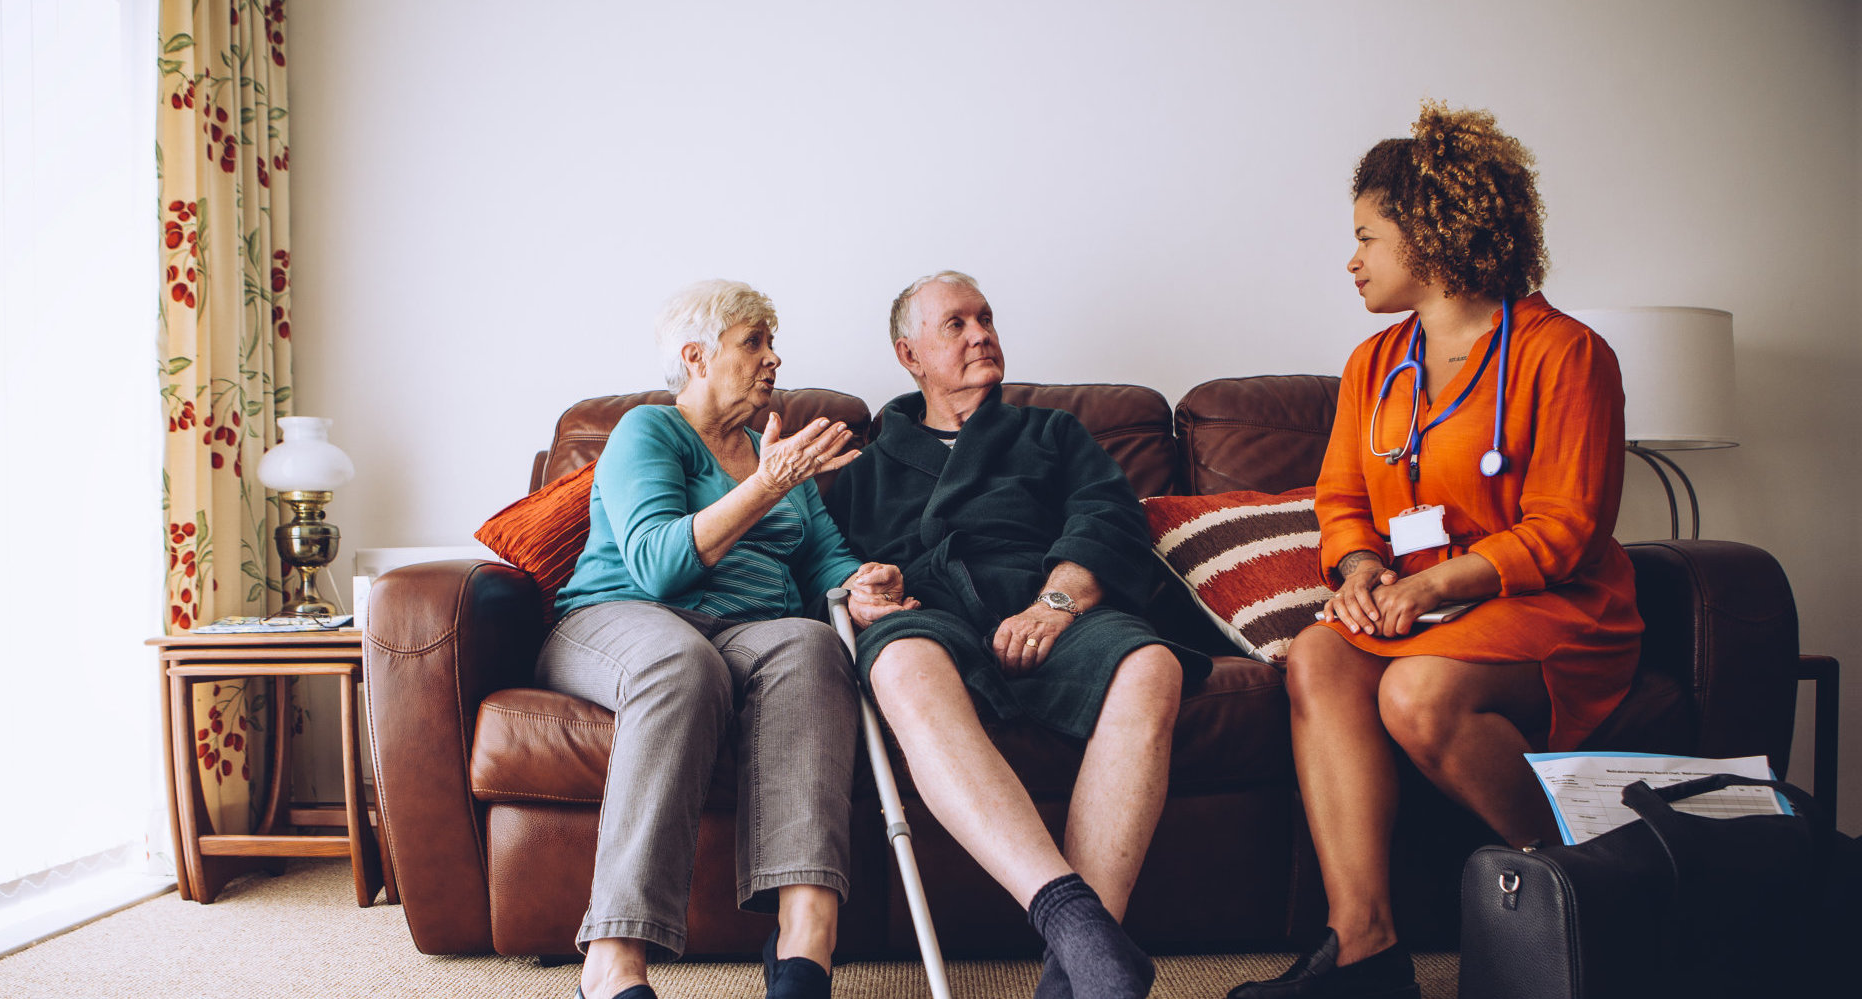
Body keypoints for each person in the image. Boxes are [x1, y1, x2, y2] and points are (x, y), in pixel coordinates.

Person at [1228, 104, 1643, 999]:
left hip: (1554, 607)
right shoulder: (1375, 364)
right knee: (1321, 654)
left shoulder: (1567, 355)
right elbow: (1342, 501)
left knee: (1416, 692)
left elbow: (1568, 527)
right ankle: (1364, 948)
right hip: (1427, 602)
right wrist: (1365, 572)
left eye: (1366, 238)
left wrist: (1430, 587)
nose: (1352, 260)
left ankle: (1588, 891)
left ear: (1431, 232)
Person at [825, 271, 1212, 999]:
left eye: (987, 317)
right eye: (957, 324)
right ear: (910, 355)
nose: (982, 334)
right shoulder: (863, 466)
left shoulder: (1050, 430)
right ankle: (1081, 928)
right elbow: (829, 561)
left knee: (1152, 664)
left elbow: (1108, 516)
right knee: (900, 662)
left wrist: (1056, 603)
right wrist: (864, 591)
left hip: (1050, 602)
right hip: (932, 614)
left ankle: (1077, 977)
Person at [539, 279, 915, 999]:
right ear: (696, 356)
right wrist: (768, 484)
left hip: (744, 631)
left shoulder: (772, 454)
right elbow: (658, 564)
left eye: (772, 342)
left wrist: (862, 583)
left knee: (813, 646)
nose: (773, 358)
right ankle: (613, 957)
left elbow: (820, 561)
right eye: (754, 342)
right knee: (681, 664)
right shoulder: (649, 432)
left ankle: (805, 939)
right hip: (618, 619)